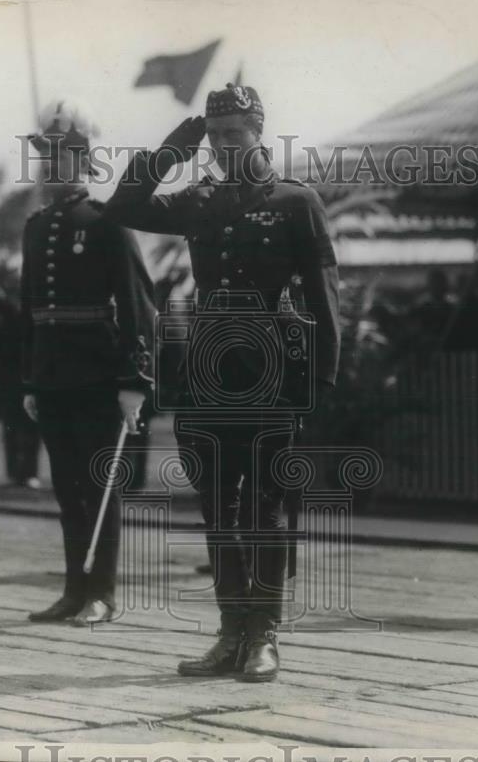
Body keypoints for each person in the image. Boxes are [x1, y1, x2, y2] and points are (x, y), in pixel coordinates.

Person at [105, 83, 341, 682]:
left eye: (235, 132)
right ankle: (228, 633)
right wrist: (170, 151)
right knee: (217, 506)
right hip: (208, 371)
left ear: (260, 131)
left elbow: (323, 295)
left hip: (270, 371)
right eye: (214, 134)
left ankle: (264, 635)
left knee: (264, 506)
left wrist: (321, 377)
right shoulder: (200, 199)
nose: (224, 144)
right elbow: (123, 208)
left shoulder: (295, 201)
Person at [20, 99, 156, 625]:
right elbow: (29, 308)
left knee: (101, 485)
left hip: (99, 376)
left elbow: (138, 303)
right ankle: (74, 589)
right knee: (66, 486)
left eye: (64, 154)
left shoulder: (108, 222)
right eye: (46, 155)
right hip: (53, 376)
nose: (52, 165)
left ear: (86, 161)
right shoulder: (35, 227)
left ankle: (102, 592)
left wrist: (134, 381)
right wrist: (30, 379)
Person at [0, 290, 42, 490]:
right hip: (16, 384)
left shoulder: (14, 321)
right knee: (21, 430)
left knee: (22, 430)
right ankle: (22, 474)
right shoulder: (10, 320)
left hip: (19, 384)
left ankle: (23, 473)